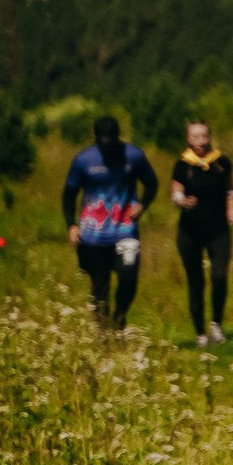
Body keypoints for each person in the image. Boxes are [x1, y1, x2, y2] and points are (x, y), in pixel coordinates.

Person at [62, 115, 156, 328]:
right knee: (99, 286)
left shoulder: (134, 156)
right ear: (94, 137)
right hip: (93, 236)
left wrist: (142, 205)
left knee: (128, 278)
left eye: (112, 142)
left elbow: (151, 183)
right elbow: (69, 194)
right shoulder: (83, 160)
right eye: (104, 143)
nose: (108, 148)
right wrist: (71, 224)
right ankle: (104, 333)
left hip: (125, 231)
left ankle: (119, 317)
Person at [170, 120, 233, 349]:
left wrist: (231, 210)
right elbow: (176, 192)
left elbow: (230, 189)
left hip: (218, 230)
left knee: (219, 276)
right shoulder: (183, 165)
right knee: (195, 281)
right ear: (189, 139)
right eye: (195, 137)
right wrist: (182, 201)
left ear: (209, 137)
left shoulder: (221, 162)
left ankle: (216, 325)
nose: (200, 141)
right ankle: (200, 333)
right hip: (190, 231)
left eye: (204, 136)